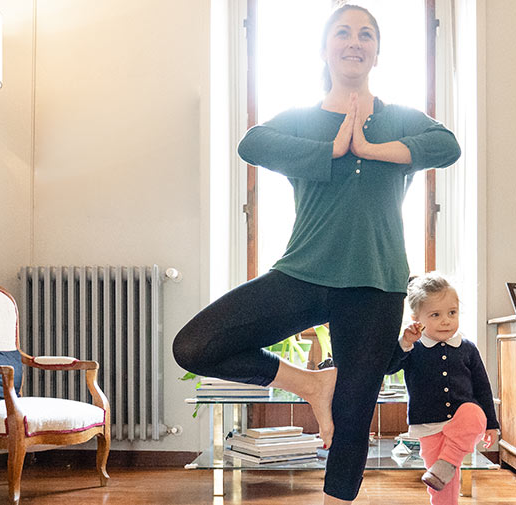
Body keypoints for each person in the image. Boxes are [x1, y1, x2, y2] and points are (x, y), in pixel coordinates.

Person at [172, 4, 460, 503]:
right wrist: (331, 151)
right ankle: (309, 383)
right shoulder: (304, 120)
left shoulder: (399, 119)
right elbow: (251, 143)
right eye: (343, 33)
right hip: (303, 272)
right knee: (195, 345)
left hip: (377, 281)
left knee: (353, 414)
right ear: (326, 48)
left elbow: (447, 145)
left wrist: (369, 148)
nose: (355, 41)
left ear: (377, 51)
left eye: (366, 34)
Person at [387, 272, 499, 505]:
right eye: (435, 315)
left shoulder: (467, 348)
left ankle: (446, 463)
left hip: (463, 424)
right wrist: (405, 343)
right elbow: (390, 367)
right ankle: (444, 477)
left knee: (473, 412)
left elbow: (482, 387)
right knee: (442, 483)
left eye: (452, 313)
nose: (446, 320)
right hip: (429, 426)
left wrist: (491, 424)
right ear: (417, 318)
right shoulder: (414, 348)